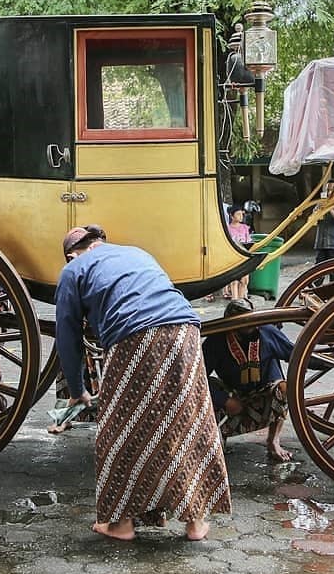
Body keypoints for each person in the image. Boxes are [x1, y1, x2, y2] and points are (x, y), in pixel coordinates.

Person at [55, 225, 230, 541]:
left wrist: (77, 390)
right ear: (100, 243)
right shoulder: (136, 253)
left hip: (135, 336)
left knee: (121, 430)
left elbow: (67, 338)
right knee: (187, 423)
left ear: (71, 254)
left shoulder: (73, 270)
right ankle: (195, 522)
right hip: (186, 331)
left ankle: (121, 524)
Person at [203, 298, 294, 462]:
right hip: (234, 399)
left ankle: (273, 441)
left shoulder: (267, 332)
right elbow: (199, 377)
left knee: (284, 388)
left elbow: (297, 354)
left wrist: (331, 358)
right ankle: (219, 438)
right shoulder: (216, 340)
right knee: (208, 389)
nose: (252, 326)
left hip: (264, 397)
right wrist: (224, 400)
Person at [222, 206, 253, 299]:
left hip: (244, 256)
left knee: (244, 280)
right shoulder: (227, 229)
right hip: (233, 257)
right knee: (234, 280)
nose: (241, 216)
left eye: (241, 214)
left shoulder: (245, 228)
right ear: (232, 216)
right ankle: (235, 300)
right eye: (238, 214)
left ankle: (241, 299)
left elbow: (248, 241)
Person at [313, 184, 334, 264]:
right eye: (327, 190)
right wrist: (318, 210)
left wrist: (329, 208)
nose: (329, 192)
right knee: (319, 268)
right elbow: (313, 219)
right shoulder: (319, 204)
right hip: (321, 244)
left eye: (331, 190)